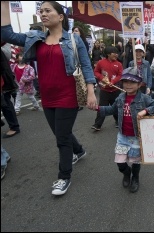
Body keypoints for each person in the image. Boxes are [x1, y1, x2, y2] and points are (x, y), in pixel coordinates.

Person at [1, 1, 98, 195]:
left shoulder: (73, 40)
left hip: (68, 96)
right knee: (60, 132)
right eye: (41, 11)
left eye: (48, 11)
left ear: (60, 16)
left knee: (61, 138)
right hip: (47, 97)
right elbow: (6, 35)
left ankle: (64, 177)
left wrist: (90, 91)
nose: (43, 14)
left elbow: (86, 65)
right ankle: (78, 151)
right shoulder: (35, 38)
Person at [93, 67, 154, 193]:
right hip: (122, 136)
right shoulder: (120, 98)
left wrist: (146, 110)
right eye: (126, 82)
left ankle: (135, 178)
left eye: (132, 82)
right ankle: (126, 173)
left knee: (136, 162)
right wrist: (97, 108)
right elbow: (111, 110)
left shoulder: (144, 98)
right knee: (120, 163)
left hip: (137, 137)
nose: (128, 85)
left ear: (139, 84)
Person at [92, 46, 123, 131]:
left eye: (117, 53)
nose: (116, 55)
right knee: (102, 108)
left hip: (115, 90)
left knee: (116, 107)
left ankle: (118, 121)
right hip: (104, 90)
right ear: (108, 54)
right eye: (114, 53)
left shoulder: (119, 64)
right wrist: (102, 78)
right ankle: (97, 125)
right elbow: (96, 72)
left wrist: (113, 82)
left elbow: (120, 75)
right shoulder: (101, 63)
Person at [1, 42, 20, 138]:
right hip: (5, 77)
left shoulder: (4, 45)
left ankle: (14, 127)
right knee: (5, 103)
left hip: (4, 79)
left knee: (5, 103)